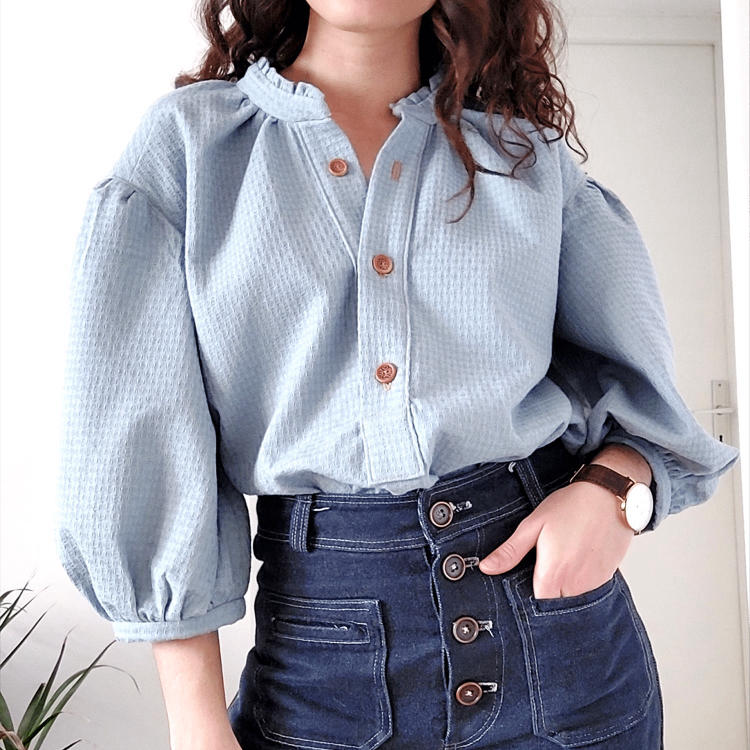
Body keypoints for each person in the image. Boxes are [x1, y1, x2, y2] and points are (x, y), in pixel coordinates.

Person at [54, 0, 741, 748]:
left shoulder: (522, 155)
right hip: (324, 668)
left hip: (562, 648)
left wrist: (613, 496)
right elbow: (142, 438)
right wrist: (197, 726)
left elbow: (640, 403)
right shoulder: (193, 148)